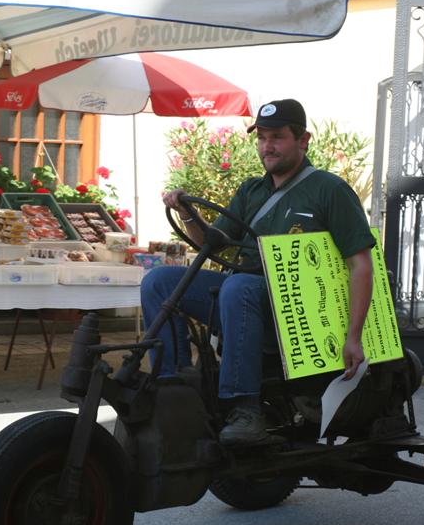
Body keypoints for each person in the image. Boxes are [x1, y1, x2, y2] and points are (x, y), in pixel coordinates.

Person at [142, 99, 374, 446]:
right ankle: (174, 387)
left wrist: (353, 336)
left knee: (240, 287)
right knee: (159, 281)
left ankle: (245, 408)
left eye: (277, 137)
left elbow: (360, 264)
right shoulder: (252, 190)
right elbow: (212, 242)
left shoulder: (330, 190)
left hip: (298, 312)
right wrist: (187, 212)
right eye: (262, 137)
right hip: (246, 298)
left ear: (303, 139)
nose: (267, 146)